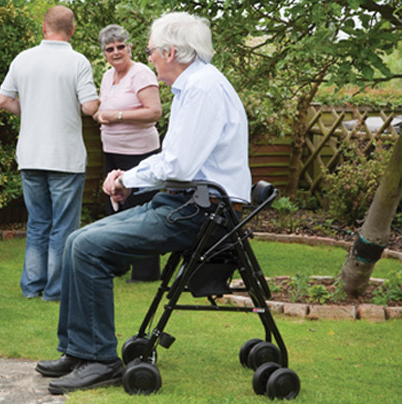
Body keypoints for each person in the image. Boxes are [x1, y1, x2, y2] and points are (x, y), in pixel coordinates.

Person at [35, 12, 252, 395]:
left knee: (86, 247)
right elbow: (172, 155)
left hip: (201, 212)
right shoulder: (195, 86)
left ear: (170, 51)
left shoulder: (202, 89)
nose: (149, 57)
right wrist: (125, 180)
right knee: (75, 241)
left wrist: (128, 178)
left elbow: (181, 166)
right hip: (185, 202)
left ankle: (100, 361)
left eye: (150, 50)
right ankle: (78, 351)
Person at [0, 5, 99, 301]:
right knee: (63, 227)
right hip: (65, 157)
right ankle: (54, 291)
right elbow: (90, 107)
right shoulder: (77, 61)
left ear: (44, 27)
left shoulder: (23, 59)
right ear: (73, 30)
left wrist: (29, 110)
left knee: (38, 223)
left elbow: (3, 101)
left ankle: (31, 287)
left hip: (30, 155)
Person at [93, 24, 163, 282]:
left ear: (130, 47)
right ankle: (118, 264)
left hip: (139, 152)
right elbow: (104, 108)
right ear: (104, 53)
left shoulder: (142, 74)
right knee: (115, 208)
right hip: (112, 150)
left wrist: (118, 115)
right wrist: (101, 114)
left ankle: (146, 272)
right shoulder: (107, 76)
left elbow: (154, 111)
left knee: (142, 211)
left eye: (120, 46)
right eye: (110, 49)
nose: (116, 52)